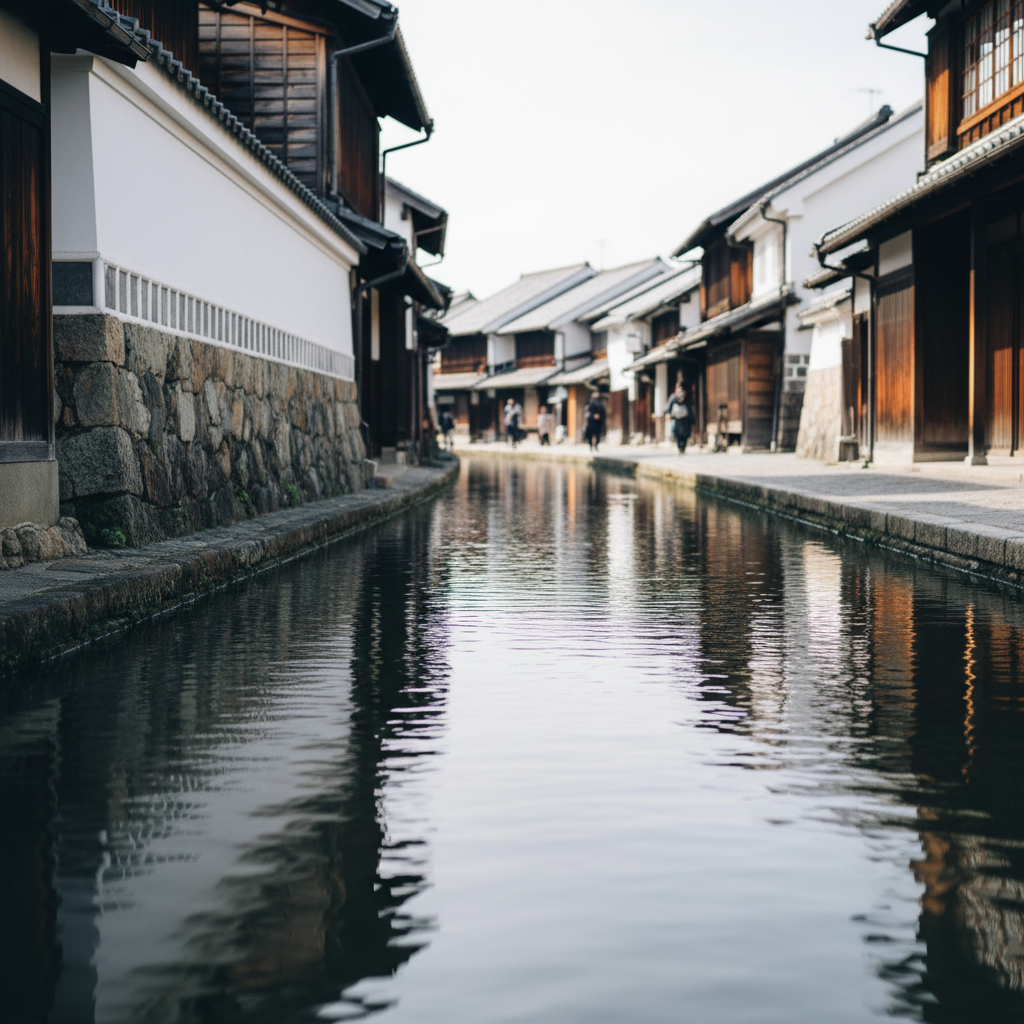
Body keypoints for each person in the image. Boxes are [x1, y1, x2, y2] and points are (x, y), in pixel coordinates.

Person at [666, 382, 693, 454]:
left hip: (685, 418)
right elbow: (669, 406)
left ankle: (683, 447)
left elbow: (690, 407)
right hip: (676, 417)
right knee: (676, 433)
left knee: (685, 433)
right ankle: (679, 446)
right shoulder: (673, 397)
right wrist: (668, 413)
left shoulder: (687, 396)